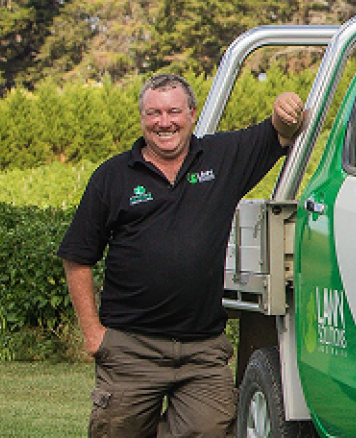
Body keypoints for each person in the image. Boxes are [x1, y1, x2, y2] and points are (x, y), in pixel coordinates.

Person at [57, 73, 304, 437]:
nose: (164, 122)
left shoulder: (221, 158)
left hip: (202, 351)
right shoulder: (112, 177)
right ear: (142, 118)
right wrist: (93, 333)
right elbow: (77, 256)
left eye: (173, 111)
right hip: (130, 348)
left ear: (191, 113)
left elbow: (279, 133)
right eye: (153, 113)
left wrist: (285, 105)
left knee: (210, 428)